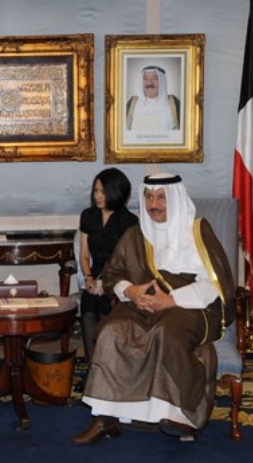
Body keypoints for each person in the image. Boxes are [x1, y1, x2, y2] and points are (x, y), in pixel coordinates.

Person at [73, 173, 235, 444]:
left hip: (189, 305)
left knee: (166, 332)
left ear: (175, 199)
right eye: (149, 197)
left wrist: (172, 300)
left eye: (161, 198)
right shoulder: (135, 234)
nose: (153, 204)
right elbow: (112, 274)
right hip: (142, 302)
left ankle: (178, 415)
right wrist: (130, 291)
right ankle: (107, 416)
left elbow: (215, 282)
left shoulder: (198, 231)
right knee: (112, 330)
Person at [78, 168, 138, 362]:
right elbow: (84, 254)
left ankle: (108, 365)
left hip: (118, 277)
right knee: (88, 306)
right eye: (95, 190)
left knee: (105, 308)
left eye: (102, 191)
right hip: (94, 274)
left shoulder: (129, 221)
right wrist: (88, 278)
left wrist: (107, 284)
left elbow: (129, 262)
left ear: (115, 192)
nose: (97, 196)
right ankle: (92, 365)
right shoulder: (88, 215)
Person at [126, 66, 180, 131]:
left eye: (154, 78)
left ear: (162, 82)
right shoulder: (132, 103)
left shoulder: (174, 103)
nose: (149, 83)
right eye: (145, 79)